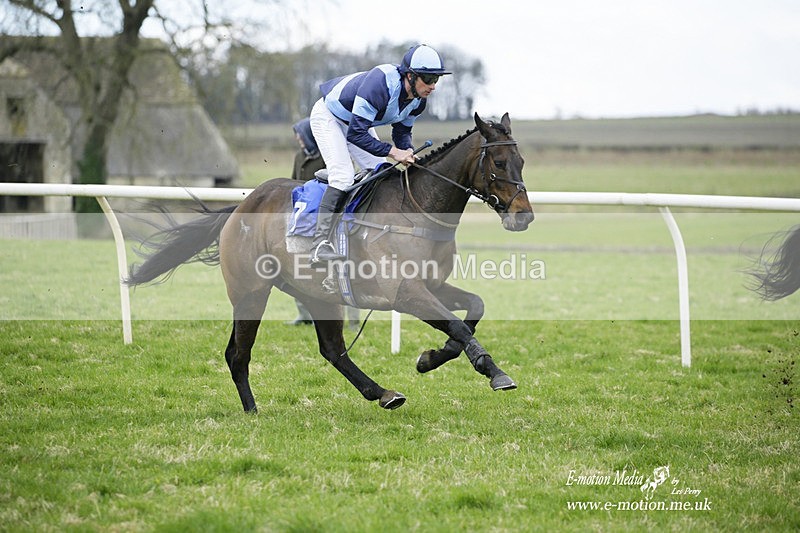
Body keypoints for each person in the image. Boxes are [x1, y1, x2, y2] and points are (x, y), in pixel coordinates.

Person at [308, 44, 452, 265]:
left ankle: (362, 232)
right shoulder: (380, 85)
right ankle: (319, 244)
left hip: (356, 123)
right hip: (329, 116)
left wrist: (408, 151)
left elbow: (402, 132)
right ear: (411, 76)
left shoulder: (418, 101)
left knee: (381, 172)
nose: (432, 86)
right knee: (343, 176)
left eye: (436, 79)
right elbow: (356, 134)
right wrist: (394, 152)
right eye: (428, 78)